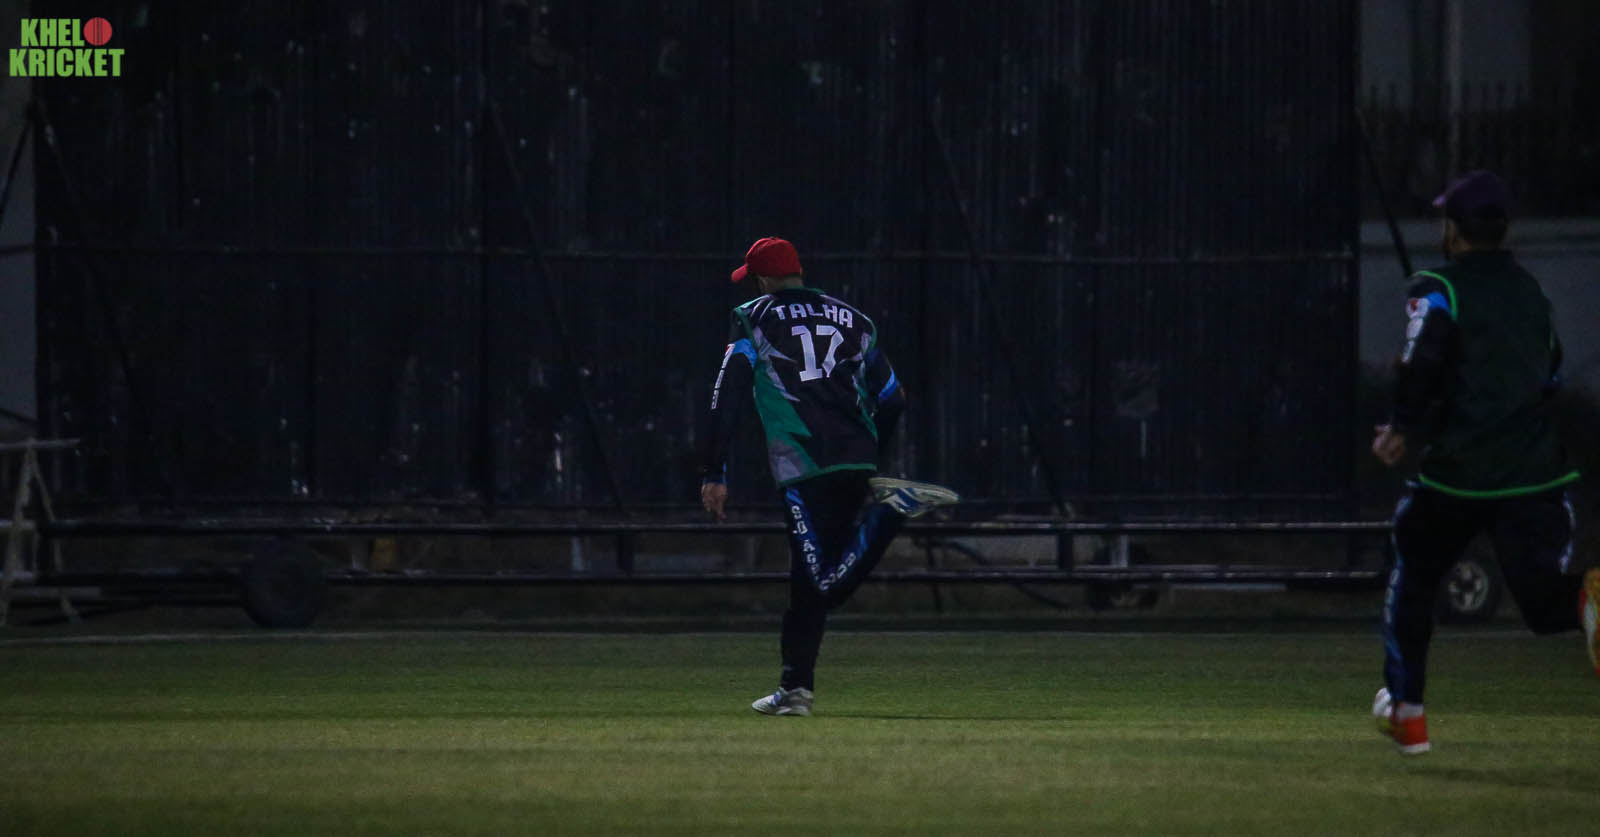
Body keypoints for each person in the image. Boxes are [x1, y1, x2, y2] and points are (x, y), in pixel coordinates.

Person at [1369, 170, 1595, 755]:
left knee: (1414, 575)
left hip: (1458, 472)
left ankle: (1408, 713)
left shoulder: (1436, 286)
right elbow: (1549, 371)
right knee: (1544, 603)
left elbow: (1422, 363)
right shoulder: (1531, 292)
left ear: (1453, 229)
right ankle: (1590, 597)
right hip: (1535, 472)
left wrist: (1402, 427)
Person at [699, 236, 959, 717]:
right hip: (856, 461)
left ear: (763, 278)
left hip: (803, 464)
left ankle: (890, 515)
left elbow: (727, 392)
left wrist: (714, 469)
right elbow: (893, 397)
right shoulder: (855, 320)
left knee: (822, 585)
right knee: (809, 584)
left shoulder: (752, 317)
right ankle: (795, 691)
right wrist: (872, 454)